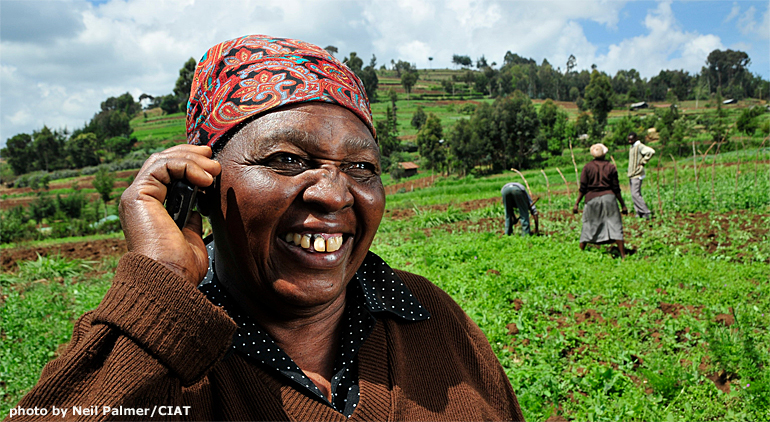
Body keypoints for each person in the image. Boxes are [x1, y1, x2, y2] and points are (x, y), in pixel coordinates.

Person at [10, 35, 524, 421]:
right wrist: (160, 291)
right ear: (201, 183)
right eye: (286, 158)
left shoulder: (429, 317)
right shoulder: (156, 352)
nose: (335, 192)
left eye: (362, 167)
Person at [573, 143, 628, 258]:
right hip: (609, 198)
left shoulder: (587, 167)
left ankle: (580, 253)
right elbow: (616, 188)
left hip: (592, 198)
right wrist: (622, 204)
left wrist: (577, 203)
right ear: (604, 154)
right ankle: (623, 255)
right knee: (615, 224)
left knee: (589, 224)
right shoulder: (611, 167)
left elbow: (583, 187)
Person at [627, 131, 655, 220]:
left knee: (636, 194)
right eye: (629, 140)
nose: (630, 141)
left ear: (635, 138)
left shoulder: (639, 146)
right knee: (633, 194)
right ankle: (639, 212)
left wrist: (643, 162)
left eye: (631, 139)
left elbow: (651, 151)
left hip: (637, 174)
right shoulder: (632, 147)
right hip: (632, 174)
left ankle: (646, 211)